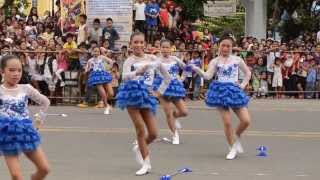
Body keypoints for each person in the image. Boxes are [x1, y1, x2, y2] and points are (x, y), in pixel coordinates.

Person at [116, 32, 171, 175]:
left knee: (153, 133)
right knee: (140, 129)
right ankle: (146, 163)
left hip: (147, 96)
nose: (138, 45)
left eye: (141, 42)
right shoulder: (129, 61)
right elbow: (124, 77)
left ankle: (139, 147)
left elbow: (167, 77)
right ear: (131, 44)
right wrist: (138, 72)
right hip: (132, 95)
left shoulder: (153, 59)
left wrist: (158, 92)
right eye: (135, 42)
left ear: (145, 44)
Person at [191, 31, 252, 160]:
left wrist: (242, 85)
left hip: (234, 91)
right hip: (220, 91)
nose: (225, 48)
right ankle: (232, 147)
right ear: (219, 46)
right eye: (223, 45)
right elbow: (208, 76)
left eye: (228, 46)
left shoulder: (237, 59)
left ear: (232, 47)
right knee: (227, 122)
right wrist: (197, 69)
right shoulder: (215, 61)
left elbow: (248, 73)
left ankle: (236, 136)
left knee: (246, 120)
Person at [0, 55, 50, 180]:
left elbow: (45, 102)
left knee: (44, 169)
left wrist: (39, 119)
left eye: (19, 70)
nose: (16, 74)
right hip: (7, 135)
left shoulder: (26, 88)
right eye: (11, 70)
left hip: (26, 132)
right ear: (2, 71)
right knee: (16, 175)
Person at [153, 40, 188, 144]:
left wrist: (182, 78)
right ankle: (174, 134)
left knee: (184, 112)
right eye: (163, 47)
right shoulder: (157, 60)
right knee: (168, 113)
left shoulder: (175, 59)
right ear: (160, 48)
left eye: (167, 47)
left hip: (174, 86)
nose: (165, 49)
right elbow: (149, 71)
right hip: (161, 86)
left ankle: (175, 117)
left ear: (171, 48)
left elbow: (186, 68)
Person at [86, 47, 114, 115]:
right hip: (96, 76)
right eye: (95, 51)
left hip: (104, 74)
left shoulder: (102, 57)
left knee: (111, 93)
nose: (96, 53)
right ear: (92, 52)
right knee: (103, 92)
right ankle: (106, 106)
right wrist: (89, 69)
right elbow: (86, 69)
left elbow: (111, 62)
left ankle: (103, 102)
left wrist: (108, 69)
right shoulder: (90, 60)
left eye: (97, 51)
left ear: (99, 52)